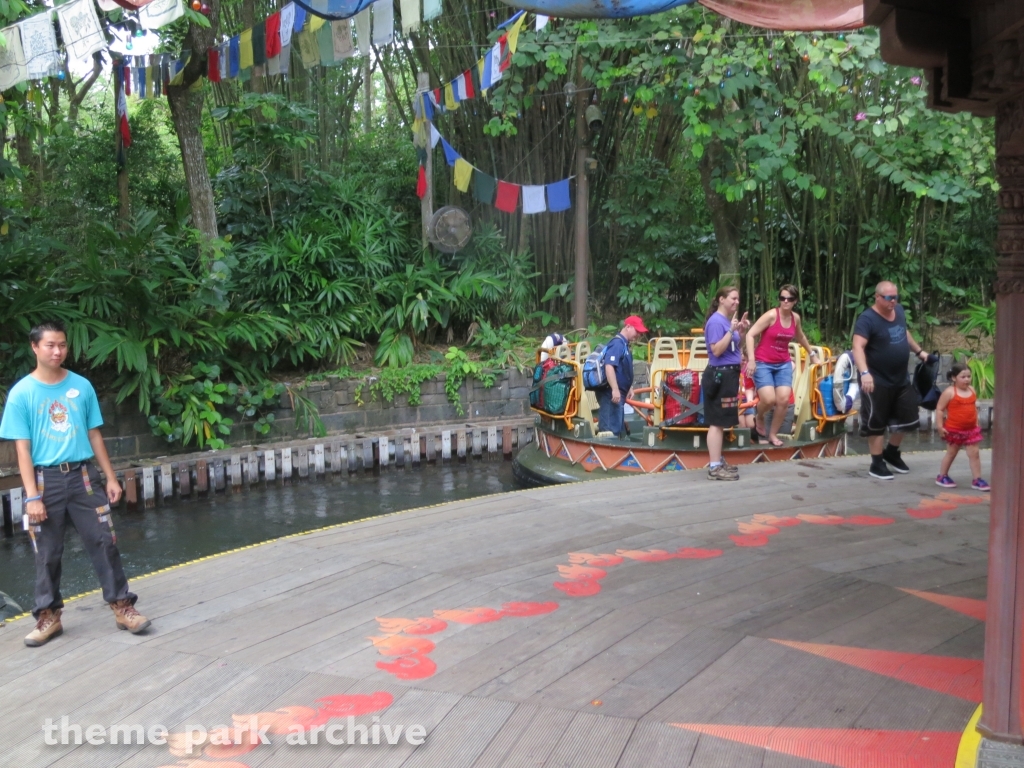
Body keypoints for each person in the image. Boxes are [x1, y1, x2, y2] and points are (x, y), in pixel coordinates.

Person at [0, 321, 151, 647]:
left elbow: (94, 434)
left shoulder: (81, 386)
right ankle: (48, 616)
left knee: (103, 540)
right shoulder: (22, 393)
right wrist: (31, 497)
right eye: (50, 345)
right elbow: (21, 450)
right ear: (35, 348)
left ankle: (123, 606)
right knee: (47, 551)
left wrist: (110, 477)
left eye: (63, 345)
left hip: (82, 476)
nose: (57, 351)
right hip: (44, 480)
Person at [852, 282, 930, 479]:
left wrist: (919, 352)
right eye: (889, 298)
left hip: (900, 378)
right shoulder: (867, 319)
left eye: (896, 297)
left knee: (908, 416)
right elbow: (858, 347)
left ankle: (892, 452)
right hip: (876, 380)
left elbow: (904, 332)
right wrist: (864, 373)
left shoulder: (899, 311)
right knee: (876, 422)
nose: (893, 301)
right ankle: (876, 463)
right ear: (877, 298)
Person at [744, 285, 818, 446]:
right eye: (782, 298)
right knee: (769, 399)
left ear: (795, 301)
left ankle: (772, 435)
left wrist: (812, 354)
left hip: (783, 363)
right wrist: (751, 359)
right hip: (763, 362)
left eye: (789, 299)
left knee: (783, 400)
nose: (785, 301)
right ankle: (760, 416)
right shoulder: (771, 315)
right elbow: (750, 334)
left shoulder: (795, 318)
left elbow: (800, 336)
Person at [703, 286, 750, 480]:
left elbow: (735, 347)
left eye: (738, 299)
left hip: (730, 375)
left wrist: (742, 332)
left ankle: (718, 460)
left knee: (722, 421)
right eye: (733, 298)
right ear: (721, 299)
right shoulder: (716, 322)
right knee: (716, 422)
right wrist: (731, 330)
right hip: (719, 376)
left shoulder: (727, 322)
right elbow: (717, 350)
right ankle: (714, 467)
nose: (736, 302)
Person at [934, 363, 989, 491]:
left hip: (970, 430)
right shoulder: (949, 392)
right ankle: (942, 476)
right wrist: (940, 426)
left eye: (969, 376)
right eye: (963, 377)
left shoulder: (972, 390)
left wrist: (976, 421)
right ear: (954, 378)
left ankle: (977, 479)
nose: (967, 379)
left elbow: (973, 408)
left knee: (974, 454)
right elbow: (940, 409)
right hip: (954, 430)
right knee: (952, 453)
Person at [597, 315, 648, 438]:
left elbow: (622, 369)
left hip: (619, 395)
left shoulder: (624, 345)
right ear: (628, 327)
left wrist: (629, 387)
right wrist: (614, 389)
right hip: (611, 395)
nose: (638, 336)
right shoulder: (617, 344)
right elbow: (609, 366)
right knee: (610, 431)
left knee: (617, 428)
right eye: (637, 331)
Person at [738, 349, 757, 430]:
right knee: (741, 425)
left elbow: (751, 387)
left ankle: (751, 439)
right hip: (738, 401)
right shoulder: (733, 371)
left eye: (745, 360)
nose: (744, 362)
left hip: (747, 400)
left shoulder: (748, 370)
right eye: (742, 360)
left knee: (751, 425)